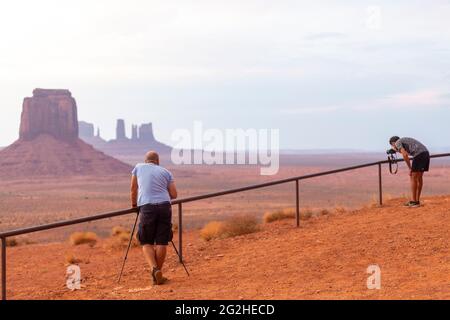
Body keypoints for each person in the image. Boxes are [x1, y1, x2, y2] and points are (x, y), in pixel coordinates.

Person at [131, 151, 178, 285]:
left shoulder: (138, 167)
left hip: (147, 207)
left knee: (146, 241)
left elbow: (133, 188)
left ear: (146, 161)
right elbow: (174, 194)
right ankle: (158, 275)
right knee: (162, 242)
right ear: (157, 161)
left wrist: (134, 205)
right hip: (164, 206)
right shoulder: (166, 172)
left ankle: (154, 269)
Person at [389, 136, 430, 208]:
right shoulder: (404, 141)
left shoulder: (398, 142)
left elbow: (405, 155)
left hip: (419, 155)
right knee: (419, 177)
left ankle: (414, 202)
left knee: (413, 177)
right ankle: (417, 201)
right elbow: (407, 152)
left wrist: (410, 168)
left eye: (392, 145)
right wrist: (397, 150)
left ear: (393, 143)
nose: (394, 147)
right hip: (425, 153)